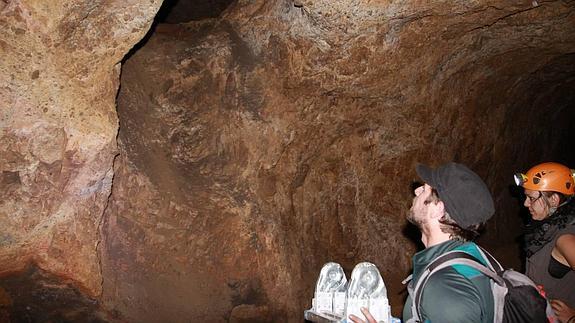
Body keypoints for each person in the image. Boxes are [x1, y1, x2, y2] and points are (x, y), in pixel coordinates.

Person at [349, 162, 496, 323]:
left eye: (425, 189)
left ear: (437, 210)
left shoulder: (444, 289)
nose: (417, 190)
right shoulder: (468, 256)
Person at [514, 162, 575, 322]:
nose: (526, 204)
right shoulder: (547, 229)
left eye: (531, 198)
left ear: (554, 199)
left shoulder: (565, 239)